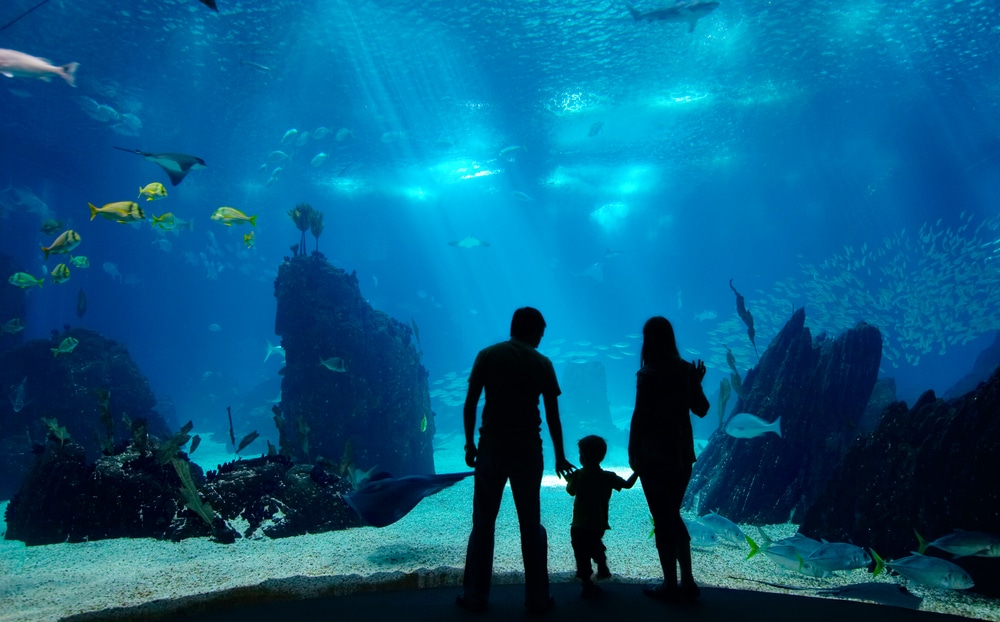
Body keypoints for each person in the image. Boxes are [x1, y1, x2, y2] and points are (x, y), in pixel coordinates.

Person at [457, 307, 576, 614]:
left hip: (491, 447)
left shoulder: (487, 355)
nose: (541, 337)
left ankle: (475, 597)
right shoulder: (542, 362)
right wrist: (560, 455)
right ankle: (537, 598)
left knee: (483, 522)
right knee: (530, 522)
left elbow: (470, 403)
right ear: (532, 330)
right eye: (541, 332)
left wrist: (470, 442)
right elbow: (552, 416)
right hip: (527, 450)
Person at [628, 316, 709, 603]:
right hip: (681, 456)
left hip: (654, 456)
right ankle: (687, 580)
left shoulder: (647, 374)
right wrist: (695, 384)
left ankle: (671, 584)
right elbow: (702, 409)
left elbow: (640, 416)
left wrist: (632, 450)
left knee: (663, 519)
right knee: (671, 514)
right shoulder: (686, 370)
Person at [565, 435, 638, 598]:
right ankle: (601, 563)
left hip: (578, 524)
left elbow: (570, 491)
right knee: (594, 542)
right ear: (602, 456)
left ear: (582, 456)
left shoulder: (578, 475)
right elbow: (627, 484)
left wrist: (568, 479)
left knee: (581, 553)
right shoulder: (608, 476)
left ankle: (587, 582)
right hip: (598, 523)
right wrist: (638, 471)